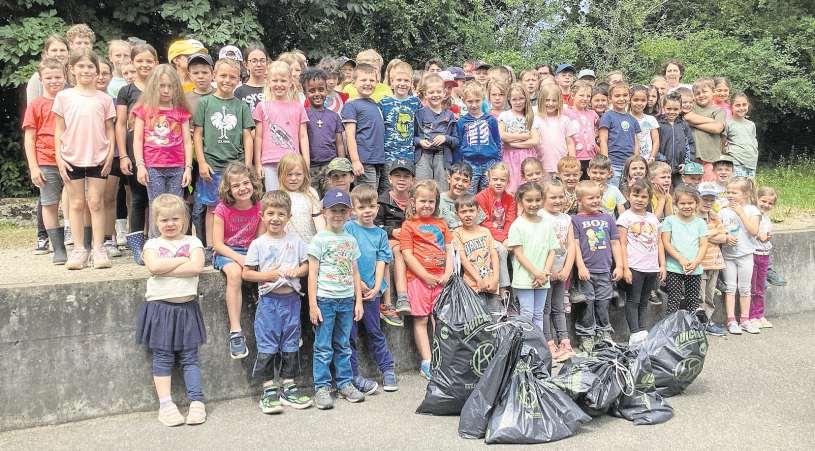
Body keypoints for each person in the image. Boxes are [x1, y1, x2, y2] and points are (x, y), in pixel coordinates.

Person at [135, 194, 207, 426]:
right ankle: (166, 405)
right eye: (164, 220)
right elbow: (154, 267)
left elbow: (196, 267)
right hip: (160, 308)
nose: (170, 224)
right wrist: (182, 260)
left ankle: (197, 401)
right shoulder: (152, 244)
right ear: (156, 221)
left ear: (184, 219)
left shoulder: (193, 242)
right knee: (163, 357)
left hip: (187, 307)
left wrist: (168, 267)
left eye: (175, 219)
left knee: (190, 357)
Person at [242, 190, 312, 414]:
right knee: (267, 345)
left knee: (291, 344)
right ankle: (268, 390)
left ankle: (289, 386)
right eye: (270, 213)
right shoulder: (258, 244)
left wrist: (297, 271)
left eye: (281, 214)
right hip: (269, 303)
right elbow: (247, 273)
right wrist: (268, 275)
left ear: (289, 217)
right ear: (262, 216)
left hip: (292, 301)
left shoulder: (296, 241)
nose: (275, 218)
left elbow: (306, 266)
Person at [53, 49, 116, 270]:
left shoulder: (104, 99)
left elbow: (110, 129)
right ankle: (79, 249)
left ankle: (98, 248)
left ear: (97, 71)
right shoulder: (64, 97)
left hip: (99, 157)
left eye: (90, 66)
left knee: (96, 202)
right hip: (71, 157)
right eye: (81, 66)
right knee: (77, 203)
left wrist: (110, 155)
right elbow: (58, 129)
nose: (86, 70)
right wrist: (59, 158)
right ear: (72, 69)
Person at [308, 187, 366, 409]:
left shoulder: (350, 240)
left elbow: (355, 273)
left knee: (343, 344)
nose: (338, 215)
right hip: (325, 300)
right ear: (324, 212)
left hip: (346, 300)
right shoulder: (319, 239)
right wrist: (313, 304)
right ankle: (322, 387)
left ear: (349, 213)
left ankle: (344, 383)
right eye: (334, 210)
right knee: (323, 346)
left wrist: (358, 301)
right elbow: (312, 274)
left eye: (343, 210)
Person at [193, 58, 255, 248]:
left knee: (236, 205)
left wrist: (248, 165)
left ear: (239, 80)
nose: (227, 80)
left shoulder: (241, 106)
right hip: (212, 167)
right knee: (213, 208)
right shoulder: (205, 103)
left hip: (235, 167)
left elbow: (247, 136)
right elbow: (197, 135)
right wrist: (202, 163)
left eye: (232, 77)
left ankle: (234, 243)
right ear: (214, 76)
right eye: (223, 75)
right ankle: (212, 247)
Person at [345, 185, 399, 395]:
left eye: (371, 206)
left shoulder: (380, 234)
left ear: (377, 207)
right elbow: (346, 256)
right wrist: (357, 283)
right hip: (350, 291)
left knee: (375, 331)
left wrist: (377, 287)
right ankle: (352, 375)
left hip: (371, 293)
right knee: (349, 335)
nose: (367, 211)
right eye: (361, 207)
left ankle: (387, 369)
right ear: (353, 210)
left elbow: (381, 261)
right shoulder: (349, 228)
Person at [400, 180, 454, 380]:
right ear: (413, 202)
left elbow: (450, 250)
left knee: (440, 320)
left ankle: (442, 359)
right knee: (421, 320)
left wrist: (448, 273)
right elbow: (407, 255)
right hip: (418, 280)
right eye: (423, 201)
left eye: (431, 201)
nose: (427, 205)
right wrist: (424, 276)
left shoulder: (441, 224)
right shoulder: (408, 225)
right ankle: (427, 361)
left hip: (441, 280)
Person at [212, 162, 264, 359]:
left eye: (245, 183)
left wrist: (251, 258)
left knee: (271, 269)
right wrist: (240, 259)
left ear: (252, 183)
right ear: (228, 189)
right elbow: (217, 244)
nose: (242, 188)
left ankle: (282, 325)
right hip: (228, 252)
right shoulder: (222, 209)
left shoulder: (259, 207)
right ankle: (235, 331)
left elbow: (260, 240)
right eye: (236, 185)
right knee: (234, 273)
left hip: (251, 251)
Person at [132, 65, 193, 225]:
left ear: (176, 88)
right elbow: (138, 139)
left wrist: (188, 168)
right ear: (153, 86)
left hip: (177, 167)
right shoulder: (143, 110)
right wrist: (140, 166)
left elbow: (187, 141)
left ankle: (176, 238)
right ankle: (156, 239)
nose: (166, 90)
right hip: (153, 166)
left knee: (176, 206)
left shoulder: (181, 111)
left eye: (170, 86)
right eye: (162, 86)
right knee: (156, 207)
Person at [24, 58, 68, 264]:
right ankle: (58, 248)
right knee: (49, 204)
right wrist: (34, 167)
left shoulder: (71, 100)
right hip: (46, 160)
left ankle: (81, 245)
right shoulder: (35, 105)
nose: (54, 81)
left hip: (71, 159)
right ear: (40, 79)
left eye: (58, 77)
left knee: (77, 202)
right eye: (48, 78)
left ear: (65, 77)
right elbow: (30, 138)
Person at [118, 43, 158, 263]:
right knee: (138, 197)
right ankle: (136, 245)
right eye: (140, 60)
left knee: (158, 199)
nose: (144, 65)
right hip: (135, 151)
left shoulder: (163, 88)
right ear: (132, 63)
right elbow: (120, 124)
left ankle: (156, 242)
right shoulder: (126, 91)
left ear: (156, 63)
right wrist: (124, 155)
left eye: (149, 61)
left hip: (160, 151)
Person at [571, 180, 623, 352]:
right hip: (586, 271)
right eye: (590, 198)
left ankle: (604, 331)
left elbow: (615, 243)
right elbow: (575, 245)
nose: (595, 201)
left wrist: (619, 266)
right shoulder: (575, 220)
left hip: (605, 270)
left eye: (598, 197)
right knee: (587, 303)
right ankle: (586, 334)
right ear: (579, 200)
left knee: (603, 302)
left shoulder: (608, 218)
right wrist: (581, 266)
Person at [617, 179, 665, 344]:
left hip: (651, 267)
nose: (639, 199)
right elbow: (622, 244)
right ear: (628, 196)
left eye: (644, 197)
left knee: (644, 301)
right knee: (633, 300)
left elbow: (659, 242)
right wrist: (625, 268)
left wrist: (662, 265)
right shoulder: (625, 217)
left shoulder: (653, 218)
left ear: (649, 199)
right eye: (636, 195)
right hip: (634, 266)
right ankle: (634, 333)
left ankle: (643, 332)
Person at [507, 181, 559, 330]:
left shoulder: (546, 224)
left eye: (537, 200)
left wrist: (544, 273)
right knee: (527, 314)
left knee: (538, 314)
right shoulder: (517, 225)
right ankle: (525, 344)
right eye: (529, 200)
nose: (534, 204)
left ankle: (538, 343)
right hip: (525, 278)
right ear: (520, 200)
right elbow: (519, 254)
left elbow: (552, 250)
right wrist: (536, 273)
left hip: (543, 277)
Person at [253, 60, 309, 191]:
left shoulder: (298, 107)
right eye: (275, 81)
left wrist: (306, 162)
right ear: (268, 82)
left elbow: (303, 136)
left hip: (293, 162)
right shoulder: (262, 107)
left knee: (293, 197)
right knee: (273, 197)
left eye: (283, 81)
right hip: (269, 162)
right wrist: (258, 163)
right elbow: (258, 137)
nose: (279, 84)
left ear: (290, 82)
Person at [375, 159, 415, 326]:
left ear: (412, 181)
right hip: (391, 240)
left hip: (412, 239)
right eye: (397, 175)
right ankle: (401, 297)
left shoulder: (415, 200)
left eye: (406, 176)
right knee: (398, 250)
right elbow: (375, 224)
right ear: (390, 179)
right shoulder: (383, 200)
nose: (401, 179)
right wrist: (392, 231)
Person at [538, 181, 576, 360]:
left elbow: (571, 245)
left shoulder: (566, 219)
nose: (558, 200)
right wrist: (547, 270)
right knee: (545, 310)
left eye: (561, 196)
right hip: (545, 271)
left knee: (559, 308)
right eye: (553, 197)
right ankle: (548, 343)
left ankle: (564, 342)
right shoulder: (540, 216)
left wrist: (566, 269)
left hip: (561, 271)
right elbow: (539, 245)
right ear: (543, 198)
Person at [720, 177, 761, 335]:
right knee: (730, 287)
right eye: (728, 192)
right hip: (728, 255)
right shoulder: (723, 211)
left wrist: (741, 213)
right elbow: (719, 228)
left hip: (745, 254)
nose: (730, 195)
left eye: (734, 192)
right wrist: (725, 236)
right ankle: (731, 320)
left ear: (746, 194)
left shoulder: (752, 210)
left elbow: (754, 231)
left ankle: (745, 319)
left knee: (745, 288)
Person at [661, 185, 708, 316]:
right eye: (682, 203)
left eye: (690, 203)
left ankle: (691, 327)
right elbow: (666, 242)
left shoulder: (700, 223)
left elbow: (703, 245)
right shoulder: (670, 220)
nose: (686, 206)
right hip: (674, 267)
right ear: (676, 204)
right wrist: (680, 258)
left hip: (694, 268)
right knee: (674, 300)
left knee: (693, 302)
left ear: (696, 203)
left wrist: (696, 262)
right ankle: (672, 326)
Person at [453, 194, 501, 318]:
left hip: (491, 283)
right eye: (463, 212)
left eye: (471, 210)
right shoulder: (457, 233)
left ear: (478, 211)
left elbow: (494, 255)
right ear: (457, 214)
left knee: (496, 319)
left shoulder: (485, 231)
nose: (468, 214)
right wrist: (479, 280)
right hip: (472, 286)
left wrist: (496, 279)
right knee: (477, 320)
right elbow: (463, 259)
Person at [342, 63, 387, 191]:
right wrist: (355, 161)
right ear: (354, 83)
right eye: (363, 80)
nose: (368, 83)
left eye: (372, 80)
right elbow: (350, 136)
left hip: (378, 160)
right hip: (364, 161)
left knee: (376, 197)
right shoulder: (351, 105)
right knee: (366, 197)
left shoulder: (376, 104)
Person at [475, 162, 516, 300]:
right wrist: (501, 239)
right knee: (502, 250)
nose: (498, 183)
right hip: (487, 235)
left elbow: (510, 220)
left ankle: (519, 289)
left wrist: (506, 238)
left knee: (518, 251)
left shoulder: (510, 198)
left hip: (506, 236)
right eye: (495, 179)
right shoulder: (481, 197)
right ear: (489, 179)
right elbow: (484, 222)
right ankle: (503, 288)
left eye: (502, 180)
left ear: (508, 181)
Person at [301, 68, 345, 194]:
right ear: (305, 93)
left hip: (330, 166)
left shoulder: (334, 116)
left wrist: (341, 165)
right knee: (313, 198)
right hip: (310, 167)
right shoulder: (303, 114)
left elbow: (339, 143)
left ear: (326, 90)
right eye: (312, 91)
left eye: (321, 89)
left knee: (331, 197)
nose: (317, 94)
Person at [454, 82, 502, 193]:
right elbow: (459, 144)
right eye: (470, 101)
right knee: (468, 193)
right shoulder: (462, 122)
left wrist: (498, 161)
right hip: (469, 162)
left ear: (483, 100)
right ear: (464, 101)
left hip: (489, 162)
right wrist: (458, 164)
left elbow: (497, 141)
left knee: (488, 192)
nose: (474, 105)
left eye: (477, 101)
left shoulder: (491, 120)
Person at [414, 73, 458, 190]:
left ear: (444, 93)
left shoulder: (450, 115)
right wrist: (420, 142)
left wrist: (445, 138)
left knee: (442, 189)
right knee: (422, 188)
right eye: (431, 92)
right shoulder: (419, 113)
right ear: (425, 94)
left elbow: (456, 140)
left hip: (442, 156)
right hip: (423, 155)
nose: (435, 95)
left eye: (438, 92)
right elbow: (412, 137)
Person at [697, 181, 727, 336]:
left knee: (709, 296)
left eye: (711, 200)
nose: (708, 203)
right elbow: (696, 237)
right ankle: (699, 323)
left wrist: (709, 234)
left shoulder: (714, 217)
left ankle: (708, 321)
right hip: (700, 264)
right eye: (705, 199)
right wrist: (713, 233)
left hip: (714, 262)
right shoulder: (693, 218)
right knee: (699, 296)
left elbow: (724, 237)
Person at [499, 83, 540, 193]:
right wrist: (524, 136)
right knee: (512, 185)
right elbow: (503, 135)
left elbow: (535, 140)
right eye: (514, 99)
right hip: (509, 156)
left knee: (527, 184)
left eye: (521, 98)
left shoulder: (530, 116)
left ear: (526, 98)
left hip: (527, 156)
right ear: (509, 100)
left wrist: (513, 144)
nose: (518, 102)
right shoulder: (505, 115)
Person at [276, 154, 324, 244]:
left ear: (305, 174)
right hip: (287, 244)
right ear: (280, 174)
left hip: (310, 243)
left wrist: (323, 239)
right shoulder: (279, 196)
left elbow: (318, 219)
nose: (293, 178)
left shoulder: (311, 192)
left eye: (298, 174)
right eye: (289, 174)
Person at [599, 82, 641, 186]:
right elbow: (603, 141)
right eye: (617, 96)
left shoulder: (632, 119)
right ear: (610, 99)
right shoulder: (607, 116)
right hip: (613, 164)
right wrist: (606, 164)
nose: (621, 99)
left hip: (629, 166)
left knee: (628, 191)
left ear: (629, 97)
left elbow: (636, 142)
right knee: (612, 192)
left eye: (625, 95)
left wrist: (635, 161)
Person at [381, 62, 421, 167]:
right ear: (392, 82)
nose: (402, 83)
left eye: (406, 80)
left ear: (411, 83)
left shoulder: (416, 102)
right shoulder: (384, 103)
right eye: (399, 80)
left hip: (409, 155)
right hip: (389, 155)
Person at [685, 78, 725, 180]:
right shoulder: (692, 107)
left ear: (713, 92)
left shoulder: (718, 111)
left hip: (710, 158)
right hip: (692, 157)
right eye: (697, 93)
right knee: (692, 185)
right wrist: (711, 121)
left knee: (708, 185)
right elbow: (688, 117)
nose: (701, 95)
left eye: (705, 92)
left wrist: (694, 124)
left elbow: (717, 128)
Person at [535, 84, 577, 178]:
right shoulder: (536, 120)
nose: (550, 103)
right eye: (547, 100)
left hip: (562, 166)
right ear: (541, 101)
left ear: (559, 102)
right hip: (541, 166)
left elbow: (570, 143)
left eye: (554, 100)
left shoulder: (565, 120)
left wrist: (573, 160)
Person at [751, 186, 778, 329]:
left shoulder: (767, 218)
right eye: (763, 201)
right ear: (756, 199)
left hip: (764, 254)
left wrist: (767, 237)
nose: (766, 205)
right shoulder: (753, 216)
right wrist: (761, 236)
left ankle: (759, 314)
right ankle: (751, 316)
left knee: (761, 287)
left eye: (770, 203)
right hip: (753, 253)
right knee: (752, 287)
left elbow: (765, 237)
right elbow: (755, 233)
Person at [656, 92, 695, 187]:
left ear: (680, 109)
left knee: (680, 191)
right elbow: (654, 144)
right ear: (663, 108)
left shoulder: (683, 125)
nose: (672, 112)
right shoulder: (657, 124)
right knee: (661, 190)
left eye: (675, 109)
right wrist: (661, 160)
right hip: (661, 167)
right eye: (669, 109)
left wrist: (686, 163)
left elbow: (690, 144)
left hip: (679, 169)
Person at [564, 80, 599, 177]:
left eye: (588, 96)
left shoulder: (593, 114)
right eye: (581, 95)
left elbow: (598, 130)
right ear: (573, 95)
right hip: (574, 157)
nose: (585, 99)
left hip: (591, 158)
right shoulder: (566, 112)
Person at [26, 34, 70, 106]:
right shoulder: (37, 78)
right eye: (54, 50)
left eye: (62, 50)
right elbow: (32, 108)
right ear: (47, 53)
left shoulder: (74, 76)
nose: (59, 54)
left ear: (68, 53)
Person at [724, 93, 759, 178]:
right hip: (736, 162)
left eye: (744, 104)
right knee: (738, 185)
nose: (741, 108)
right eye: (737, 105)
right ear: (731, 107)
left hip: (751, 163)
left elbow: (753, 141)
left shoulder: (751, 124)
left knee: (749, 186)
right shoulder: (727, 123)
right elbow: (722, 142)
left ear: (748, 105)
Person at [629, 85, 660, 162]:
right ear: (629, 100)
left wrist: (652, 157)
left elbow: (656, 141)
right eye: (636, 100)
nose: (639, 103)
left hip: (648, 159)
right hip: (630, 160)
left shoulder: (651, 119)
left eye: (643, 100)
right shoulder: (626, 119)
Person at [234, 43, 268, 112]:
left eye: (262, 60)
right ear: (246, 64)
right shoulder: (239, 92)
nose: (259, 64)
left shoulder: (273, 88)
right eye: (254, 61)